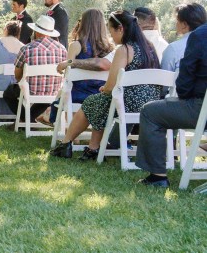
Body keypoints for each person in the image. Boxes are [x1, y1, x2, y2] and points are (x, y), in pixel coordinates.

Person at [50, 9, 160, 161]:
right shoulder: (149, 47)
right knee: (100, 102)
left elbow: (112, 84)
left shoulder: (125, 49)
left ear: (120, 29)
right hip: (150, 102)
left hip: (128, 103)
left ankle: (66, 144)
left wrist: (106, 88)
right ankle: (93, 148)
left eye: (112, 31)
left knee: (93, 101)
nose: (112, 37)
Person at [135, 20, 207, 188]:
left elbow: (186, 77)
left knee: (150, 111)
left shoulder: (201, 35)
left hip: (201, 108)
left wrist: (183, 95)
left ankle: (157, 176)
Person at [38, 8, 114, 126]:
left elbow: (68, 75)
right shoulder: (110, 48)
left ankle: (71, 135)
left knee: (68, 90)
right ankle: (49, 113)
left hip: (77, 95)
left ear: (83, 24)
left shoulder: (77, 45)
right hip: (100, 93)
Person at [3, 15, 67, 119]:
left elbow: (17, 74)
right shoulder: (62, 49)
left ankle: (25, 120)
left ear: (36, 31)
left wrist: (22, 82)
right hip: (55, 92)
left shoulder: (26, 48)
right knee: (45, 99)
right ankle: (29, 120)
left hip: (31, 91)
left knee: (8, 93)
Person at [160, 3, 206, 73]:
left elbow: (163, 78)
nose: (176, 24)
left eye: (177, 21)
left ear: (184, 25)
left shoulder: (174, 49)